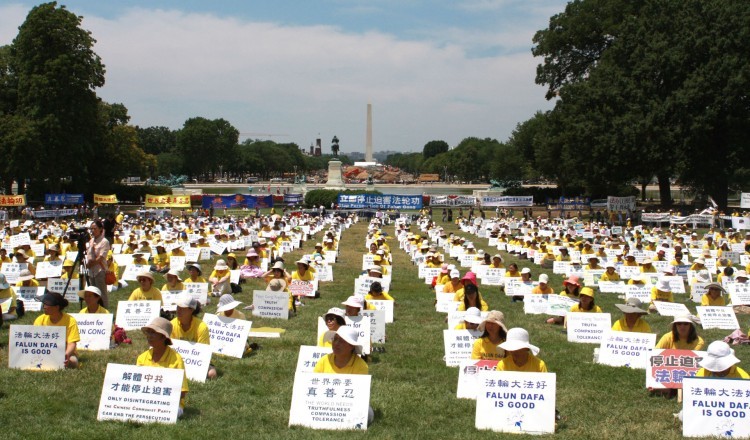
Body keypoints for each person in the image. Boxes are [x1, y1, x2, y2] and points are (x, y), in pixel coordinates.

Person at [137, 317, 189, 416]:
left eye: (153, 333)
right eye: (148, 332)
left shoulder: (176, 359)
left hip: (170, 403)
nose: (149, 336)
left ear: (163, 337)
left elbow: (182, 393)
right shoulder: (141, 358)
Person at [171, 293, 216, 379]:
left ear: (191, 310)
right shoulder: (172, 324)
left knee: (212, 374)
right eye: (178, 307)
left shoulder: (202, 327)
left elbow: (203, 352)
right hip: (176, 360)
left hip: (196, 362)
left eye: (182, 308)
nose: (178, 310)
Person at [34, 291, 80, 368]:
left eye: (47, 304)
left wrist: (66, 354)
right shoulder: (40, 319)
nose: (44, 307)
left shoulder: (70, 321)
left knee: (73, 361)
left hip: (65, 352)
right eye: (44, 304)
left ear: (57, 307)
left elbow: (72, 343)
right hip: (44, 351)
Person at [86, 219, 111, 308]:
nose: (93, 231)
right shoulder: (91, 240)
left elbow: (101, 257)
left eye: (95, 228)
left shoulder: (104, 241)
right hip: (91, 270)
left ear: (100, 229)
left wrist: (90, 264)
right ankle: (95, 310)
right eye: (91, 229)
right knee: (93, 293)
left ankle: (105, 310)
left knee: (102, 293)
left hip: (100, 270)